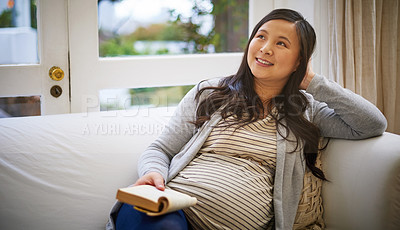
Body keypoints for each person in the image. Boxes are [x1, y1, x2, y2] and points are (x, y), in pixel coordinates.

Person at [106, 8, 387, 230]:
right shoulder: (210, 92)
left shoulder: (306, 111)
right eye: (261, 36)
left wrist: (314, 82)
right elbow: (161, 149)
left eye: (281, 43)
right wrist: (153, 172)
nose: (265, 48)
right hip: (169, 213)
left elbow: (372, 123)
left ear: (300, 61)